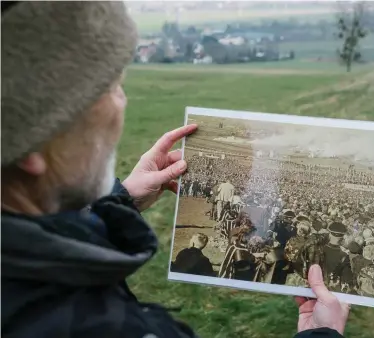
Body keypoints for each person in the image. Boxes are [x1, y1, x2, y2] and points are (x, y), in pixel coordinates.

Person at [2, 2, 349, 338]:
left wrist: (119, 202)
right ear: (32, 144)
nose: (122, 102)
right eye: (108, 88)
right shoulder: (110, 328)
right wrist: (321, 334)